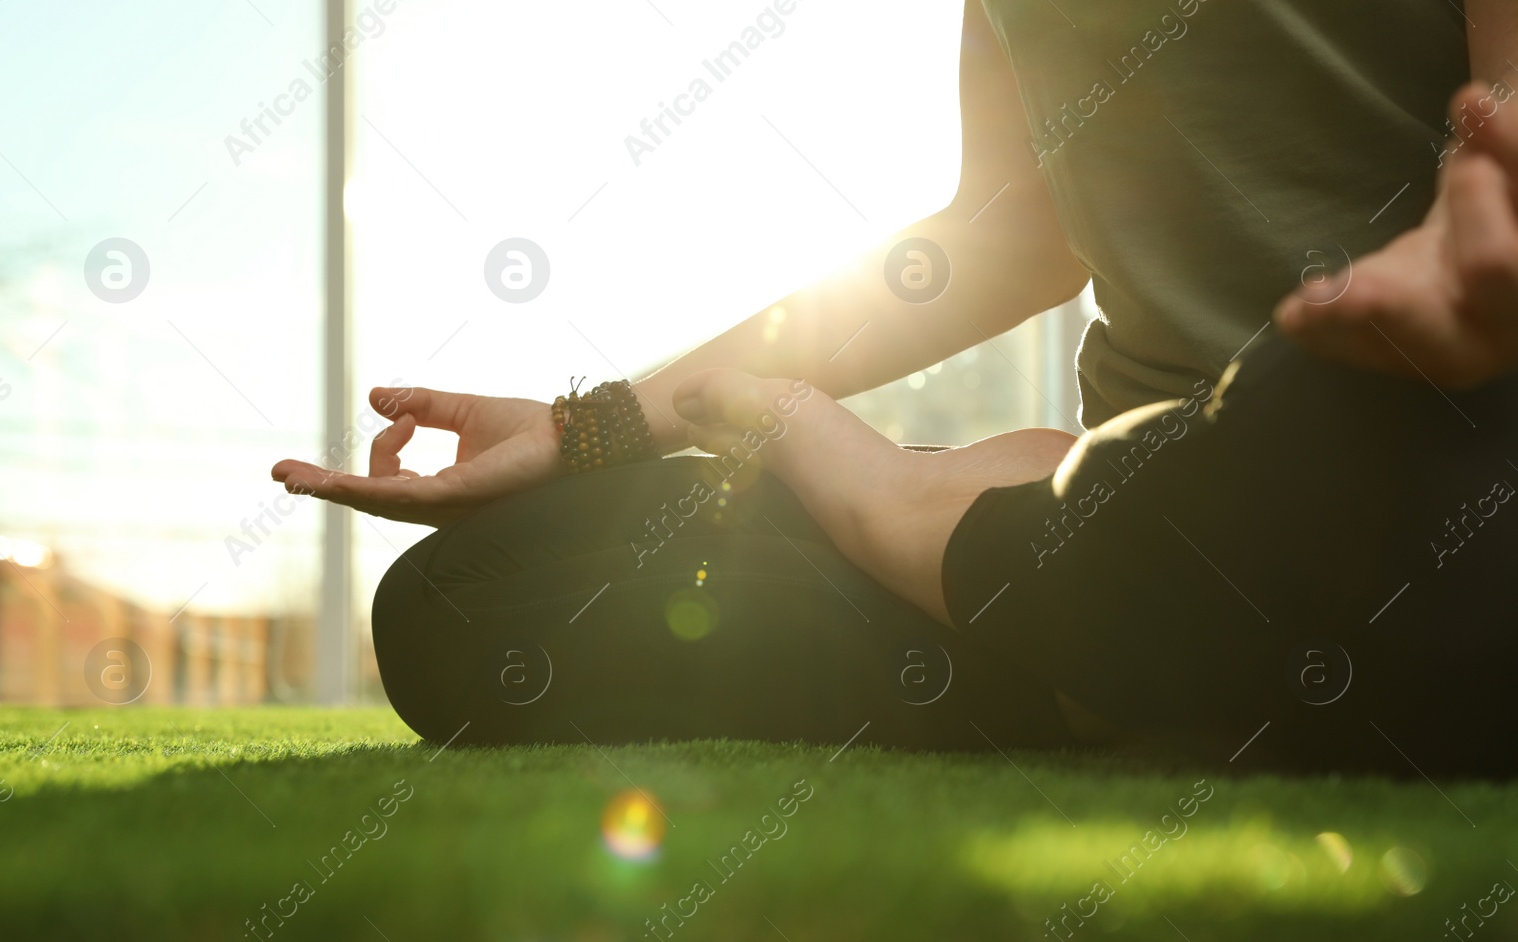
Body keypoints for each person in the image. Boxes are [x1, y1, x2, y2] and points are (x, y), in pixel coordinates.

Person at [274, 1, 1518, 776]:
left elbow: (1501, 151)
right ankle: (1108, 616)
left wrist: (1446, 276)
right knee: (467, 606)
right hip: (1128, 492)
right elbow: (1007, 234)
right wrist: (586, 427)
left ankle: (1077, 603)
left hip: (1413, 465)